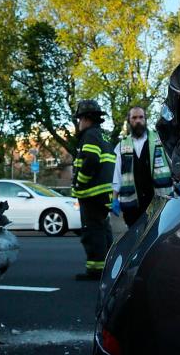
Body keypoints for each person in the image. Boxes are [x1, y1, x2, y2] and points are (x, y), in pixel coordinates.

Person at [111, 106, 180, 227]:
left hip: (160, 201)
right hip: (132, 206)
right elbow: (117, 177)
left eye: (141, 117)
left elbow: (174, 165)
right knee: (136, 241)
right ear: (129, 121)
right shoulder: (121, 146)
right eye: (134, 118)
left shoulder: (159, 139)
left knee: (160, 239)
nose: (138, 120)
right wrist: (114, 199)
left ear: (145, 119)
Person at [70, 99, 116, 280]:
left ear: (87, 119)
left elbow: (90, 160)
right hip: (104, 192)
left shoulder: (89, 135)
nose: (79, 123)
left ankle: (95, 270)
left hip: (92, 192)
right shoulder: (103, 136)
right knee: (103, 229)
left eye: (80, 119)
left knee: (92, 231)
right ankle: (107, 265)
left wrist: (80, 183)